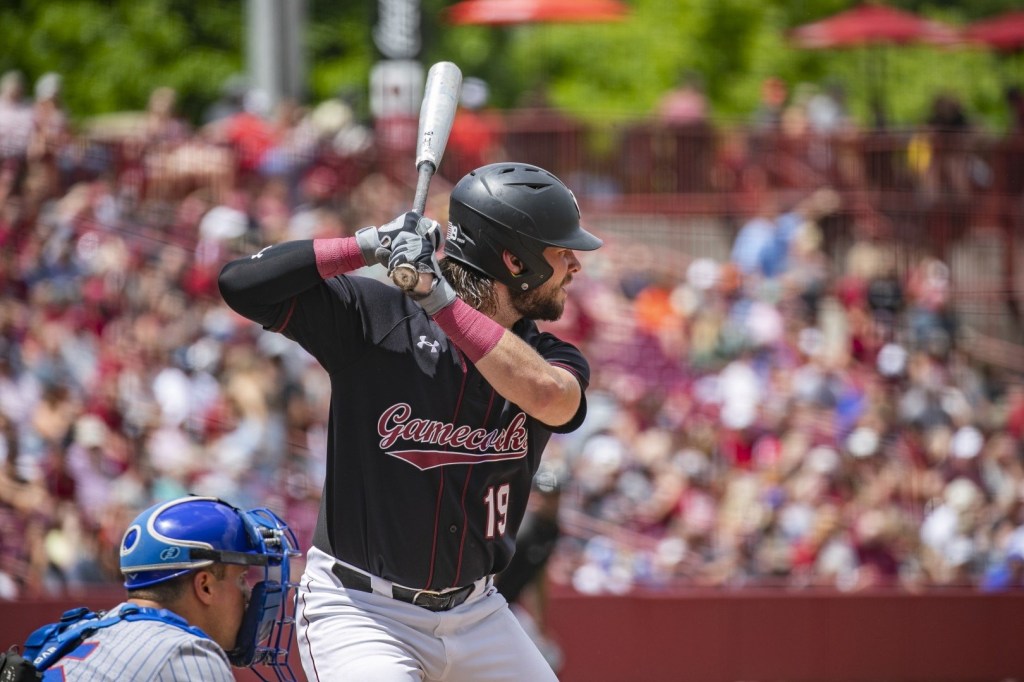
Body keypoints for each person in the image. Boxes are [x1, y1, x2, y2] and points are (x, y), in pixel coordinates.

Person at [218, 161, 603, 680]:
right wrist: (367, 244)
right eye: (562, 252)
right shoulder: (375, 317)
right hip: (362, 610)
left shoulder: (546, 355)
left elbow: (552, 399)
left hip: (477, 612)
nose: (575, 265)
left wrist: (439, 297)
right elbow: (242, 284)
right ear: (516, 261)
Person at [2, 496, 299, 681]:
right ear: (205, 585)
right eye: (241, 578)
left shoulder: (77, 635)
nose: (248, 593)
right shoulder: (185, 655)